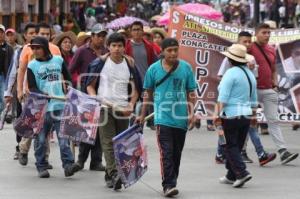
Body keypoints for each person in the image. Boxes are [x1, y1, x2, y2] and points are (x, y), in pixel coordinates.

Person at [136, 38, 197, 197]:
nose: (173, 53)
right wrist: (142, 115)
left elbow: (191, 93)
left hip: (181, 118)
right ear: (162, 52)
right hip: (162, 119)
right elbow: (147, 94)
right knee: (167, 152)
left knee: (176, 153)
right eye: (169, 50)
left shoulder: (186, 68)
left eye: (175, 50)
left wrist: (191, 114)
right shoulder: (153, 70)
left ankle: (172, 181)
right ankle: (168, 185)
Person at [83, 33, 141, 190]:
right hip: (104, 108)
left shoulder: (129, 65)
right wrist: (95, 98)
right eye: (113, 46)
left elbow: (136, 89)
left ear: (124, 47)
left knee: (120, 143)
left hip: (122, 109)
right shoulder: (100, 63)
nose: (116, 49)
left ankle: (110, 175)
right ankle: (115, 174)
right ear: (108, 47)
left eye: (119, 46)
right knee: (108, 142)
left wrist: (131, 105)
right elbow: (89, 85)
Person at [216, 31, 276, 166]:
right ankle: (256, 155)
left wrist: (253, 109)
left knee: (239, 130)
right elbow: (221, 79)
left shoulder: (251, 60)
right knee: (227, 130)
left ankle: (224, 155)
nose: (248, 44)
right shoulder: (229, 62)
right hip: (229, 103)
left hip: (245, 102)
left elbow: (253, 82)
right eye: (245, 41)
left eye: (250, 42)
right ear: (238, 42)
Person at [27, 36, 79, 178]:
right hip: (42, 108)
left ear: (45, 48)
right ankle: (41, 166)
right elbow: (32, 87)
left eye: (38, 48)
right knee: (41, 140)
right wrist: (41, 93)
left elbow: (67, 78)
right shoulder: (31, 66)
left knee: (63, 138)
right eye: (33, 48)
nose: (36, 50)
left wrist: (69, 89)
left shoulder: (58, 60)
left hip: (59, 105)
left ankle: (68, 165)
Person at [249, 23, 298, 164]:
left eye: (268, 33)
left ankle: (283, 152)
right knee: (247, 121)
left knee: (273, 121)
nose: (267, 35)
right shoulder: (250, 47)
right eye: (264, 32)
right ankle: (242, 152)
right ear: (256, 33)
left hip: (269, 89)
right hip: (252, 90)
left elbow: (274, 69)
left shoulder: (271, 49)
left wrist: (275, 83)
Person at [17, 22, 61, 167]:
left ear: (50, 35)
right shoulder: (28, 49)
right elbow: (21, 70)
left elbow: (59, 71)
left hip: (52, 95)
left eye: (47, 34)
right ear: (36, 34)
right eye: (41, 33)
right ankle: (23, 150)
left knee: (45, 128)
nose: (44, 36)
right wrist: (20, 90)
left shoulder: (55, 49)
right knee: (32, 123)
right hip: (32, 92)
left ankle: (44, 159)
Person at [215, 44, 257, 188]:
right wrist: (255, 114)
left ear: (230, 60)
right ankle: (231, 175)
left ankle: (242, 173)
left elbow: (223, 97)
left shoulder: (231, 73)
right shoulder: (250, 74)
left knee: (229, 145)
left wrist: (216, 114)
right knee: (237, 146)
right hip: (246, 114)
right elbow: (254, 97)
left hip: (231, 115)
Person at [69, 23, 108, 171]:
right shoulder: (81, 51)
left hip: (103, 94)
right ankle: (81, 160)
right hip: (86, 94)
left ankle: (96, 161)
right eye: (99, 36)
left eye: (103, 36)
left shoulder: (107, 51)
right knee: (87, 130)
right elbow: (70, 70)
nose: (101, 39)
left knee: (100, 131)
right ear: (92, 37)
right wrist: (72, 85)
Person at [4, 23, 36, 160]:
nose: (34, 35)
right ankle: (20, 147)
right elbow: (13, 73)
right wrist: (8, 92)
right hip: (22, 92)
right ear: (25, 35)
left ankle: (41, 156)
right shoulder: (20, 51)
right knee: (21, 120)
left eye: (36, 33)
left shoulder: (47, 52)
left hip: (39, 92)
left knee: (39, 122)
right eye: (31, 33)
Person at [125, 21, 157, 130]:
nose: (137, 32)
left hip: (145, 83)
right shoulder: (125, 46)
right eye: (134, 30)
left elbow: (154, 63)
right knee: (131, 109)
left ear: (143, 31)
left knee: (144, 109)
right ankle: (130, 131)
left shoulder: (148, 46)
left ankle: (140, 130)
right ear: (131, 32)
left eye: (139, 29)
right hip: (131, 84)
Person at [0, 24, 14, 114]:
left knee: (2, 97)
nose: (0, 34)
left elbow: (12, 63)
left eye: (1, 32)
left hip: (4, 75)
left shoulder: (9, 48)